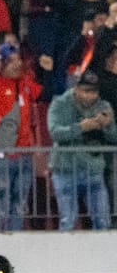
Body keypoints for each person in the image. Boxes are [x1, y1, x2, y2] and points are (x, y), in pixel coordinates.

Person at [0, 42, 53, 231]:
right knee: (1, 198)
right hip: (1, 154)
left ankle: (15, 238)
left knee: (20, 202)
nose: (17, 65)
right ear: (0, 64)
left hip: (24, 153)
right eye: (11, 61)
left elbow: (45, 94)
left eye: (18, 60)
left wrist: (46, 72)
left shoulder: (25, 83)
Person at [47, 69, 116, 231]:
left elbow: (114, 138)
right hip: (65, 170)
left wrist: (108, 126)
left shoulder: (104, 106)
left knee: (103, 223)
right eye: (86, 91)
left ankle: (101, 256)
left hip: (93, 171)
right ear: (76, 88)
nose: (91, 96)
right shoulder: (59, 103)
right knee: (67, 222)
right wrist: (81, 128)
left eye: (94, 91)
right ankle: (65, 256)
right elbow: (55, 133)